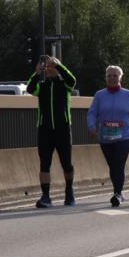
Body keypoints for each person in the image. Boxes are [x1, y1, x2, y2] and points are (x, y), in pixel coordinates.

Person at [87, 65, 129, 207]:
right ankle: (118, 191)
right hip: (105, 136)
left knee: (119, 164)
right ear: (106, 78)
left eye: (115, 76)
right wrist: (91, 127)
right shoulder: (99, 95)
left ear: (120, 78)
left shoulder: (128, 95)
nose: (112, 78)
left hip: (124, 136)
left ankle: (117, 193)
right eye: (109, 76)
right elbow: (92, 113)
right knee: (112, 165)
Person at [27, 55, 77, 208]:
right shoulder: (41, 85)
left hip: (63, 128)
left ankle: (69, 192)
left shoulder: (65, 85)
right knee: (44, 163)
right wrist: (37, 73)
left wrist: (59, 66)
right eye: (47, 67)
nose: (49, 69)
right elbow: (30, 88)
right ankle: (46, 196)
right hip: (45, 129)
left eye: (51, 67)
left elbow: (72, 80)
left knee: (66, 163)